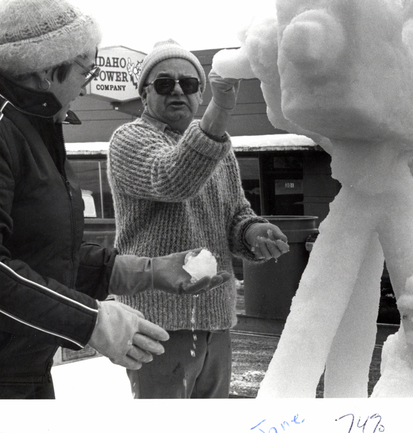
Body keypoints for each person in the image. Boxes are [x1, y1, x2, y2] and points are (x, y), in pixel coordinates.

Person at [0, 0, 229, 399]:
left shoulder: (32, 127)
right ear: (48, 69)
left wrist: (150, 271)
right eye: (87, 71)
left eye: (190, 83)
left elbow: (46, 254)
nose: (86, 88)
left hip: (20, 364)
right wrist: (91, 320)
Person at [108, 39, 290, 398]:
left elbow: (236, 214)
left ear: (198, 93)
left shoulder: (218, 146)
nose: (178, 90)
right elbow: (173, 179)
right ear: (144, 94)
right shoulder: (129, 139)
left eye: (189, 84)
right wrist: (219, 112)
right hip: (156, 323)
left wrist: (254, 231)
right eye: (164, 83)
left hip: (215, 320)